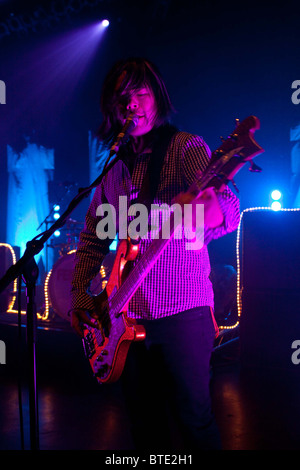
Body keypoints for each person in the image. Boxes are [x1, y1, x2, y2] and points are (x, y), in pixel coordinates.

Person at [69, 57, 240, 450]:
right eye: (122, 97)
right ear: (112, 108)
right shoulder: (114, 170)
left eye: (140, 93)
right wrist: (82, 294)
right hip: (125, 319)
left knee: (194, 423)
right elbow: (94, 235)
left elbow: (227, 208)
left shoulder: (185, 149)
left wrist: (207, 208)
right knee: (144, 429)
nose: (131, 104)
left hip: (183, 313)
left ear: (157, 98)